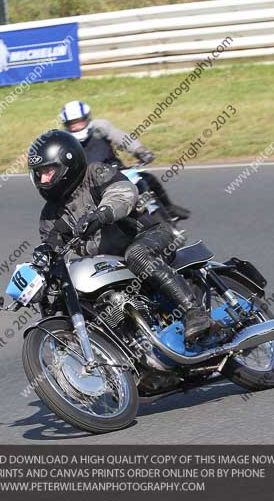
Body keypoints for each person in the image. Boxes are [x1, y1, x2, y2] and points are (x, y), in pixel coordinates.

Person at [28, 129, 214, 346]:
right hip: (109, 264)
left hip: (147, 235)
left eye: (48, 171)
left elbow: (124, 192)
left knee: (136, 254)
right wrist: (44, 255)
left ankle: (194, 312)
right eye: (38, 173)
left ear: (67, 164)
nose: (43, 178)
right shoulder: (50, 214)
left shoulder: (95, 173)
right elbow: (53, 244)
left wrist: (102, 213)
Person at [59, 100, 191, 221]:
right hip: (90, 183)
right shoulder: (65, 141)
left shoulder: (100, 127)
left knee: (147, 179)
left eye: (79, 122)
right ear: (66, 125)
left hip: (116, 170)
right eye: (72, 124)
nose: (76, 127)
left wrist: (140, 150)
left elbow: (121, 138)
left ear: (87, 119)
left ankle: (169, 208)